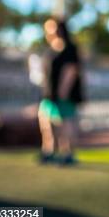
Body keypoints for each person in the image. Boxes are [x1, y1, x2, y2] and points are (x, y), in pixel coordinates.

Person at [38, 18, 83, 165]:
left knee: (65, 124)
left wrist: (63, 91)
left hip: (63, 95)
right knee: (46, 123)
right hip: (49, 94)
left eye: (50, 27)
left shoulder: (69, 48)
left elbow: (72, 70)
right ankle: (48, 151)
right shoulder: (50, 49)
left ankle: (67, 154)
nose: (48, 31)